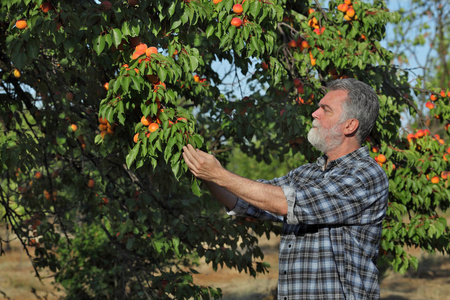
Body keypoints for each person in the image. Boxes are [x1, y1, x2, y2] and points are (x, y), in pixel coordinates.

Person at [182, 78, 389, 300]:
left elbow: (287, 203)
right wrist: (204, 172)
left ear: (350, 125)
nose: (314, 113)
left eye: (325, 109)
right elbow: (246, 200)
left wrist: (219, 174)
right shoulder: (307, 173)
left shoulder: (365, 175)